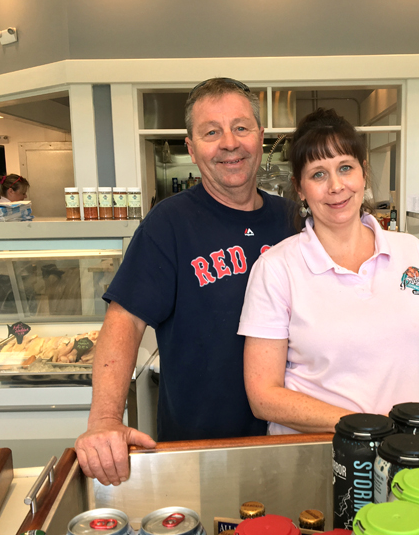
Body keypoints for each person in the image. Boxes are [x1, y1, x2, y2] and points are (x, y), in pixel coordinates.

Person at [75, 78, 296, 485]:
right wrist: (104, 419)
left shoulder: (294, 221)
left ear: (260, 137)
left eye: (241, 127)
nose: (230, 143)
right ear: (191, 148)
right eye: (211, 132)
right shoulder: (169, 224)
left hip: (292, 442)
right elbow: (124, 321)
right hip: (199, 451)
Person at [238, 108, 419, 434]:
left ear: (363, 173)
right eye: (318, 174)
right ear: (299, 188)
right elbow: (264, 396)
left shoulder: (413, 252)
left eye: (345, 168)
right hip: (318, 459)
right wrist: (369, 429)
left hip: (413, 457)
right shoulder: (276, 269)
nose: (336, 186)